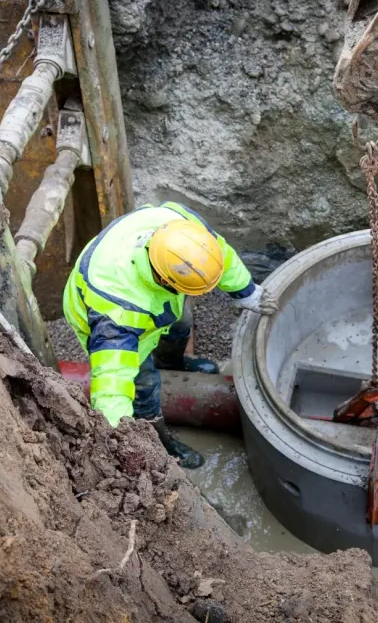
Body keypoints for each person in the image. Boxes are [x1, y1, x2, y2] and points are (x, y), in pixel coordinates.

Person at [63, 201, 277, 468]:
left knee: (180, 321)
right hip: (98, 307)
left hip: (144, 291)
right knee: (144, 384)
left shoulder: (182, 228)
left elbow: (218, 253)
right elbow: (112, 385)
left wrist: (246, 292)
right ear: (165, 281)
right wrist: (118, 440)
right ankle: (159, 439)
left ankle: (172, 364)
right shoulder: (117, 319)